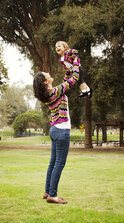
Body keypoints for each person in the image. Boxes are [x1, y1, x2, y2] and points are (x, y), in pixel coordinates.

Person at [33, 69, 78, 204]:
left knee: (53, 162)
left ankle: (48, 192)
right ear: (46, 81)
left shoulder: (51, 93)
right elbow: (73, 80)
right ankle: (52, 194)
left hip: (55, 129)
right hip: (61, 130)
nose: (48, 72)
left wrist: (67, 69)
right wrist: (75, 65)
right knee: (59, 163)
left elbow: (65, 83)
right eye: (46, 74)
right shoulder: (54, 92)